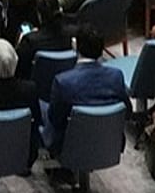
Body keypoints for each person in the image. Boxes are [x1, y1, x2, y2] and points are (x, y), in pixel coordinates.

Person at [46, 24, 129, 152]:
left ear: (75, 47)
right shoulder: (116, 76)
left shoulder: (62, 81)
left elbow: (55, 119)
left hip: (71, 147)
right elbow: (127, 112)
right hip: (108, 145)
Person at [14, 0, 72, 79]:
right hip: (64, 80)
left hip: (35, 85)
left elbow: (19, 69)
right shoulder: (69, 36)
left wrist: (19, 44)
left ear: (39, 15)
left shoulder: (29, 41)